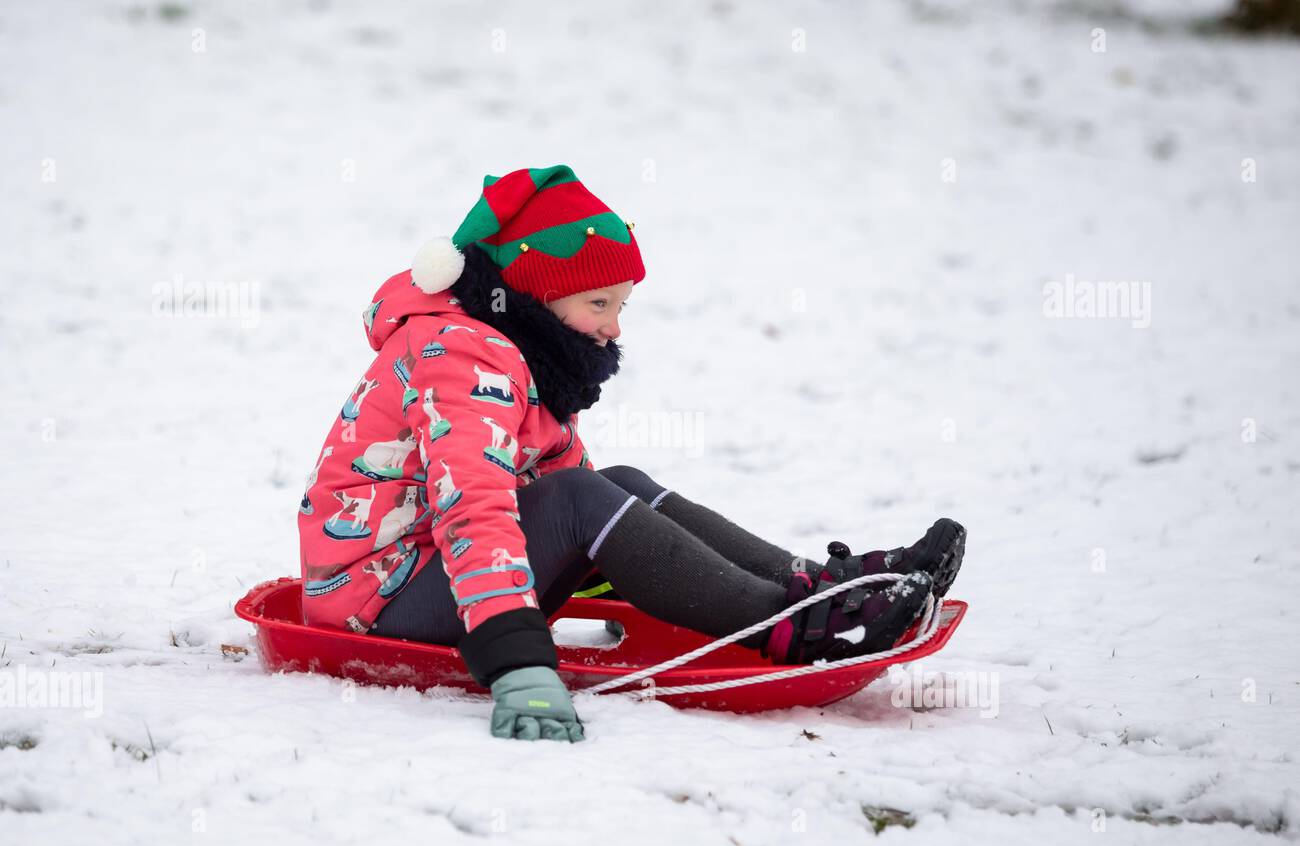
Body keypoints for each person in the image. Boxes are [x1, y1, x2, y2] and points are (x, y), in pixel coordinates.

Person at [297, 164, 966, 744]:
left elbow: (563, 491)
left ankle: (817, 590)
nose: (614, 326)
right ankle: (793, 626)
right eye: (598, 303)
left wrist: (629, 558)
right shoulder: (464, 356)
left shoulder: (517, 350)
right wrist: (517, 662)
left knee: (613, 483)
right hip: (375, 604)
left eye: (621, 305)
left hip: (431, 571)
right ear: (533, 294)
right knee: (584, 497)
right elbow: (475, 506)